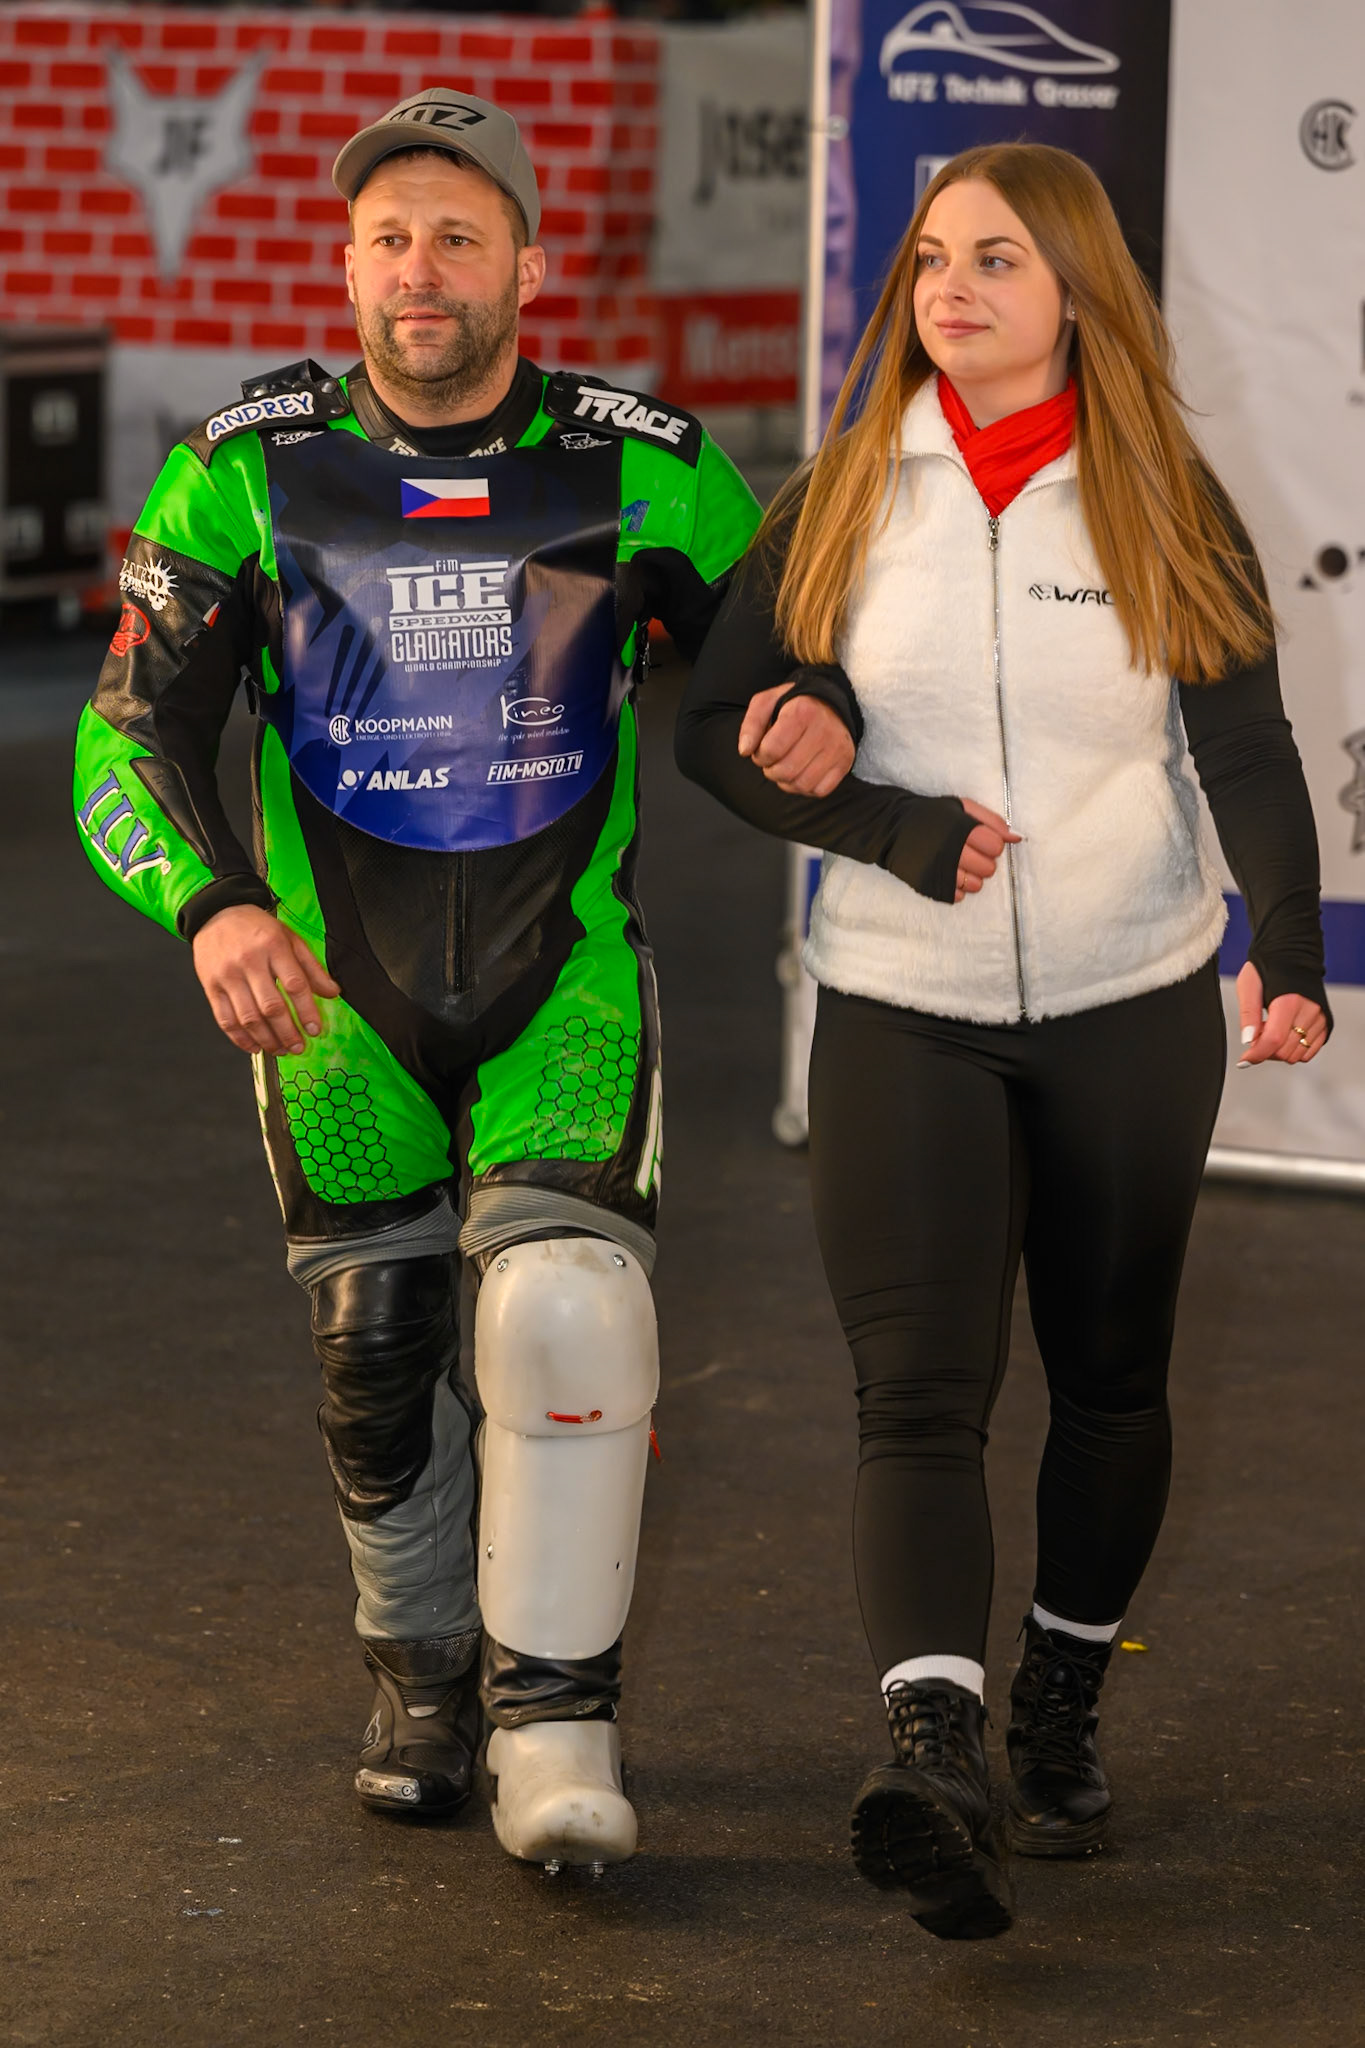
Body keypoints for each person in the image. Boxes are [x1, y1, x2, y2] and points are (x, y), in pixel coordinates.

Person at [73, 87, 828, 1873]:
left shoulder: (645, 458)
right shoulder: (242, 466)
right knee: (379, 1346)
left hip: (565, 983)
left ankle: (557, 1732)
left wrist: (835, 730)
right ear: (345, 266)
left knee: (562, 1312)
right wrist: (208, 910)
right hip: (331, 1008)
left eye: (460, 238)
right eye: (391, 238)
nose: (422, 272)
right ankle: (420, 1682)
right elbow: (123, 738)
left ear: (530, 269)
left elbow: (777, 671)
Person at [676, 143, 1329, 1938]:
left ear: (1073, 296)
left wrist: (1283, 938)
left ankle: (1054, 1703)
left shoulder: (1159, 499)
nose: (950, 285)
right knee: (917, 1392)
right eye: (933, 255)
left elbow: (1249, 751)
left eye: (999, 259)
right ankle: (932, 1749)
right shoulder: (832, 499)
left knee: (1111, 1383)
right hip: (903, 1009)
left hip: (1128, 1008)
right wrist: (865, 803)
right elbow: (718, 730)